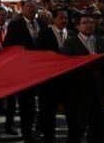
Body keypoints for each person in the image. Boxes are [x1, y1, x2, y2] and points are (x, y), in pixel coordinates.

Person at [62, 14, 104, 143]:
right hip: (79, 95)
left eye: (91, 22)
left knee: (98, 129)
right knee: (77, 130)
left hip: (99, 94)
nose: (89, 25)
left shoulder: (101, 41)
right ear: (78, 26)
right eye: (85, 23)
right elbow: (67, 71)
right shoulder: (70, 44)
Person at [3, 0, 46, 141]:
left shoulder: (43, 25)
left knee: (43, 103)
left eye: (34, 7)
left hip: (42, 72)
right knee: (26, 105)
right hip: (24, 72)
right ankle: (27, 132)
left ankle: (40, 128)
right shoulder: (15, 26)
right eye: (28, 7)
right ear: (22, 9)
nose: (32, 9)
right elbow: (7, 45)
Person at [37, 8, 69, 143]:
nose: (64, 21)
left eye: (66, 18)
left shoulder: (72, 34)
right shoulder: (44, 34)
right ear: (54, 19)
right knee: (49, 112)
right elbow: (39, 57)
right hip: (50, 82)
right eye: (61, 17)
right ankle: (49, 137)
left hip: (68, 82)